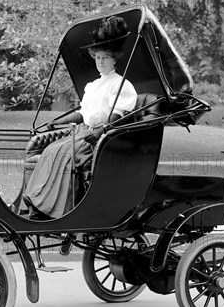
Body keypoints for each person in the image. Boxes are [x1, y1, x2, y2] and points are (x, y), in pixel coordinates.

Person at [22, 16, 138, 219]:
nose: (101, 61)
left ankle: (54, 210)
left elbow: (117, 116)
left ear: (114, 59)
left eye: (105, 57)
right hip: (83, 131)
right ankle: (36, 200)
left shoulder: (121, 85)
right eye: (98, 57)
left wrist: (100, 130)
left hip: (99, 137)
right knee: (51, 149)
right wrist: (58, 122)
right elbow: (83, 113)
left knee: (65, 155)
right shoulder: (93, 86)